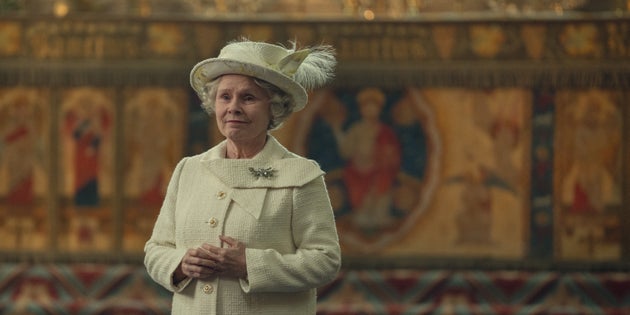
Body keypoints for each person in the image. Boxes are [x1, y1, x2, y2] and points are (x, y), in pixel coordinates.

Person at [144, 38, 341, 314]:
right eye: (225, 96)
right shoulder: (188, 169)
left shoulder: (301, 176)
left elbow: (325, 261)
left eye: (248, 98)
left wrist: (250, 265)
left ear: (274, 107)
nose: (233, 107)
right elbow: (156, 250)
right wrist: (180, 264)